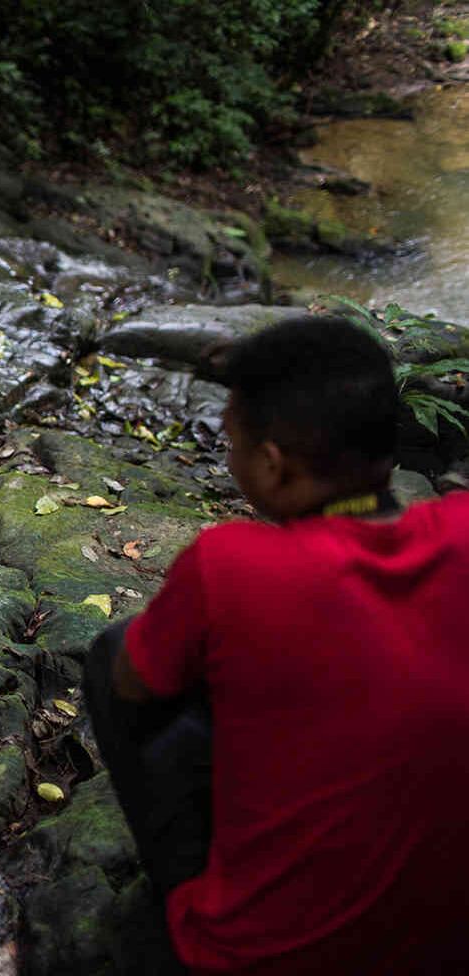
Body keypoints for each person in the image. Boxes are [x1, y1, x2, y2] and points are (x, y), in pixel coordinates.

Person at [82, 314, 469, 975]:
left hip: (250, 954)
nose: (228, 458)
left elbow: (131, 687)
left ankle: (188, 883)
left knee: (113, 654)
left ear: (272, 463)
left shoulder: (231, 565)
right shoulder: (459, 533)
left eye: (231, 443)